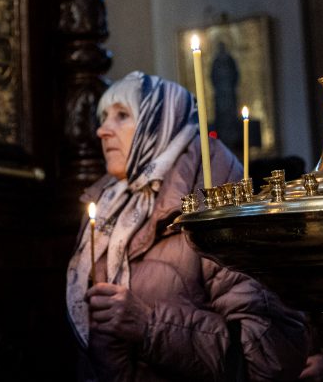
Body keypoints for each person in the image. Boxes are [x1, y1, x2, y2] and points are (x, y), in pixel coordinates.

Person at [66, 71, 310, 381]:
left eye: (121, 116)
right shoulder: (107, 210)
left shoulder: (216, 202)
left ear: (159, 123)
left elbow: (268, 354)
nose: (102, 130)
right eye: (103, 118)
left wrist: (148, 325)